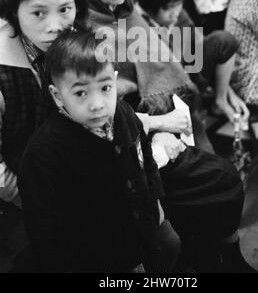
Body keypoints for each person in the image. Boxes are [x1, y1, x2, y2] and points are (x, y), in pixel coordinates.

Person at [70, 0, 256, 272]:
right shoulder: (86, 30)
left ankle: (222, 253)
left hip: (172, 114)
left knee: (217, 176)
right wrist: (160, 125)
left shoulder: (126, 14)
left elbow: (173, 62)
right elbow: (105, 105)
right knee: (224, 181)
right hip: (136, 134)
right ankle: (223, 256)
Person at [18, 29, 180, 272]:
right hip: (98, 255)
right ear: (58, 96)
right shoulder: (43, 155)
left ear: (114, 81)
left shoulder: (123, 113)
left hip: (142, 227)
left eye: (105, 88)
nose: (97, 105)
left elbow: (144, 159)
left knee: (170, 245)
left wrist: (155, 201)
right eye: (81, 93)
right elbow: (46, 232)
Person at [0, 0, 88, 270]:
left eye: (65, 9)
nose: (54, 26)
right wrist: (38, 202)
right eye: (38, 13)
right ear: (13, 11)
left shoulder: (76, 39)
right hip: (20, 193)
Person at [132, 0, 249, 122]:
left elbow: (200, 46)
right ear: (150, 5)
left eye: (178, 4)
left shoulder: (177, 15)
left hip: (189, 74)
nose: (175, 12)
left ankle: (218, 101)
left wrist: (227, 94)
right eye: (168, 7)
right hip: (167, 90)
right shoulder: (139, 27)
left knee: (223, 41)